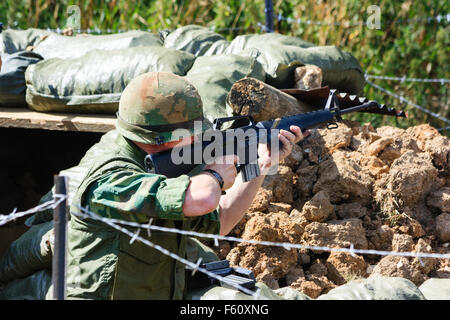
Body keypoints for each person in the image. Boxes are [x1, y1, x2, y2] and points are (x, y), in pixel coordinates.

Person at [2, 71, 308, 300]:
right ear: (161, 140)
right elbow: (201, 198)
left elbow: (222, 220)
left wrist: (261, 165)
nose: (199, 140)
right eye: (190, 134)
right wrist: (215, 175)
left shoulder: (159, 156)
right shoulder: (110, 177)